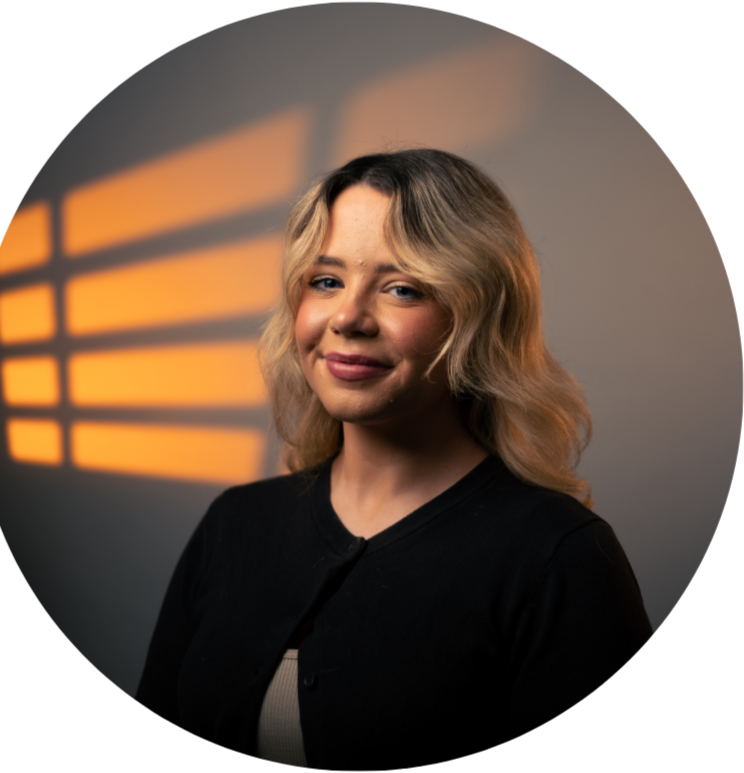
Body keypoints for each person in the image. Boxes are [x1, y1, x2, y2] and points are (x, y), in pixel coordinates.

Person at [134, 149, 653, 767]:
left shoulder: (559, 559)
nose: (349, 318)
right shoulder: (234, 524)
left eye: (402, 289)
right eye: (325, 281)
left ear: (477, 315)